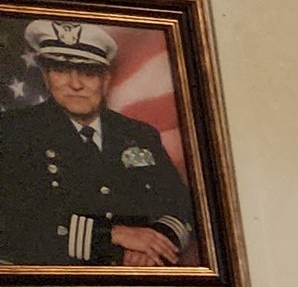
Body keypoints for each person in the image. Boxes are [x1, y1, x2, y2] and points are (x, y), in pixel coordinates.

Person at [0, 18, 197, 268]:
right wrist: (114, 237)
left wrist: (155, 245)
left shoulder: (139, 134)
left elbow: (180, 206)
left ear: (106, 79)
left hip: (141, 280)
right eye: (61, 70)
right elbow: (11, 223)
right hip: (53, 286)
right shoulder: (12, 131)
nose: (76, 84)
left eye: (89, 72)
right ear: (45, 75)